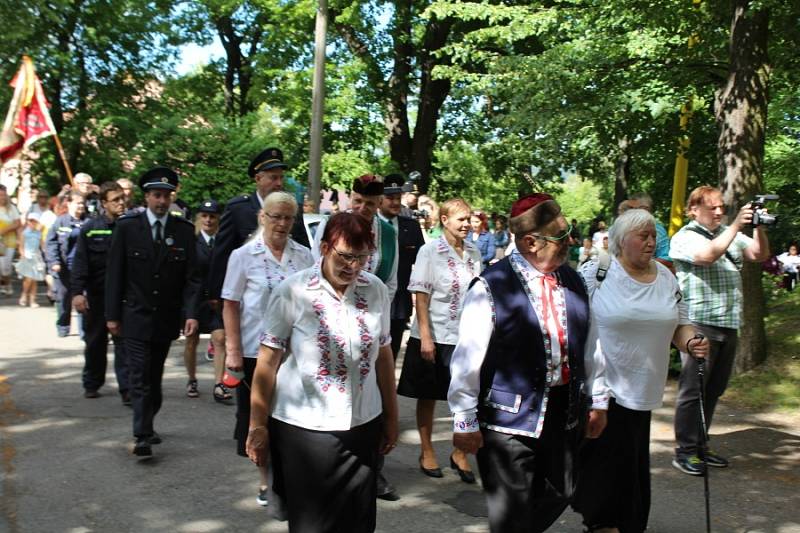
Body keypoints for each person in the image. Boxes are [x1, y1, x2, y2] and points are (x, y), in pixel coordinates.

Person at [246, 212, 399, 532]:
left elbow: (384, 358)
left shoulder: (375, 290)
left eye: (361, 258)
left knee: (358, 522)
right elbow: (267, 361)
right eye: (345, 256)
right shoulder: (294, 291)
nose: (353, 266)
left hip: (362, 423)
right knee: (313, 524)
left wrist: (391, 417)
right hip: (305, 430)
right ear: (326, 247)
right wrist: (257, 425)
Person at [448, 193, 592, 533]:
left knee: (563, 489)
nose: (570, 241)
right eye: (562, 236)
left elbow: (592, 342)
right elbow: (468, 356)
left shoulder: (573, 280)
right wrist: (464, 419)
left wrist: (598, 398)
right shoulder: (491, 286)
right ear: (531, 242)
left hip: (562, 410)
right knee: (512, 512)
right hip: (506, 420)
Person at [572, 208, 709, 533]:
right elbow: (575, 324)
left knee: (632, 460)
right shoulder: (597, 272)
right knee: (605, 459)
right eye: (643, 236)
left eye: (653, 236)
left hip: (644, 385)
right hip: (604, 386)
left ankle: (626, 521)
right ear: (622, 240)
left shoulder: (665, 276)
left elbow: (681, 323)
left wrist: (692, 343)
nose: (651, 242)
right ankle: (602, 522)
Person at [669, 185, 770, 475]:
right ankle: (685, 451)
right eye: (712, 207)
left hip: (728, 323)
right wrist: (736, 224)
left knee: (713, 390)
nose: (719, 212)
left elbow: (758, 254)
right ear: (693, 209)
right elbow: (706, 256)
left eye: (721, 208)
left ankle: (701, 444)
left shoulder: (729, 233)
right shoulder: (684, 237)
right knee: (694, 390)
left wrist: (759, 227)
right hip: (699, 323)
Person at [222, 191, 314, 507]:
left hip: (294, 352)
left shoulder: (304, 256)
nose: (283, 223)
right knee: (258, 418)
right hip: (252, 350)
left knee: (291, 417)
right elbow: (230, 304)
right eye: (276, 216)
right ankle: (266, 482)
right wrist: (232, 351)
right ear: (263, 218)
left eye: (289, 217)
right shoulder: (243, 256)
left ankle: (291, 477)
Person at [105, 167, 200, 458]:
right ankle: (142, 435)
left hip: (165, 318)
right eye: (156, 195)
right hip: (134, 316)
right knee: (140, 376)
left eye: (166, 196)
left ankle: (148, 420)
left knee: (154, 378)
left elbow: (192, 277)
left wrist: (191, 313)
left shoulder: (182, 231)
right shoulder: (127, 227)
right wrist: (112, 315)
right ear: (146, 196)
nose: (161, 201)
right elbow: (115, 274)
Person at [398, 198, 483, 484]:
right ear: (444, 220)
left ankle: (460, 452)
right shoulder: (430, 251)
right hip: (435, 333)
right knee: (429, 394)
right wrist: (425, 337)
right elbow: (421, 296)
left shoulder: (473, 252)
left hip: (466, 336)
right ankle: (426, 449)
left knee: (467, 396)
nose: (467, 224)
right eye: (461, 219)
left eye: (468, 219)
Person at [208, 147, 309, 301]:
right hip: (247, 296)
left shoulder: (291, 209)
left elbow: (302, 247)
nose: (279, 183)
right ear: (258, 179)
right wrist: (217, 299)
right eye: (273, 178)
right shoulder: (238, 209)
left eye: (281, 178)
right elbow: (222, 256)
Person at [71, 182, 130, 401]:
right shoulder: (90, 227)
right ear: (104, 203)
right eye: (116, 200)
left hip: (124, 296)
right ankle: (92, 382)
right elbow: (80, 262)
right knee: (95, 341)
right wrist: (77, 292)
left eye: (123, 198)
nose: (121, 203)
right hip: (97, 295)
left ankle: (128, 389)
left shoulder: (131, 226)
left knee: (124, 343)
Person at [313, 174, 398, 301]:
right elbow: (315, 265)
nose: (362, 208)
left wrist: (375, 310)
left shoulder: (389, 233)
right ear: (351, 199)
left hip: (370, 309)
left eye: (369, 203)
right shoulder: (329, 224)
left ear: (379, 203)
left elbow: (391, 282)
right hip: (327, 303)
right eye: (358, 201)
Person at [183, 200, 229, 401]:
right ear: (199, 218)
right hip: (195, 301)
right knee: (191, 340)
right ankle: (192, 379)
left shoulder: (224, 243)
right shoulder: (191, 242)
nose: (208, 220)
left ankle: (219, 383)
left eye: (212, 216)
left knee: (220, 339)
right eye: (204, 216)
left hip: (217, 301)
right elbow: (187, 277)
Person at [378, 174, 425, 361]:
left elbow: (421, 263)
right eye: (390, 198)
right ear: (379, 199)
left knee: (391, 352)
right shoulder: (369, 224)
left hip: (399, 302)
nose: (395, 202)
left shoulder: (411, 227)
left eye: (398, 198)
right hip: (372, 299)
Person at [46, 190, 86, 337]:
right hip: (64, 268)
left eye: (82, 203)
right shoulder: (60, 221)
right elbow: (51, 243)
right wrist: (54, 262)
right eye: (77, 203)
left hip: (83, 268)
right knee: (63, 299)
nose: (81, 206)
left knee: (83, 298)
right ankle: (63, 326)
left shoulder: (88, 221)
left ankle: (84, 330)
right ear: (69, 204)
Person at [625, 192, 673, 270]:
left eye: (634, 209)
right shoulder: (622, 228)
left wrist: (641, 266)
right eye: (630, 209)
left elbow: (667, 259)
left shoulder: (658, 230)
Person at [15, 211, 46, 306]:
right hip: (27, 257)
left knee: (34, 279)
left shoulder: (38, 234)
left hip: (36, 257)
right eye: (30, 221)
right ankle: (24, 295)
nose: (32, 223)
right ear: (28, 222)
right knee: (28, 278)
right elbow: (21, 246)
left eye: (34, 221)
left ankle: (33, 300)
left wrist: (46, 253)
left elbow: (42, 245)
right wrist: (23, 255)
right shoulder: (24, 233)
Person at [0, 184, 22, 295]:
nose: (2, 197)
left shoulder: (12, 208)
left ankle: (7, 284)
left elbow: (18, 223)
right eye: (0, 195)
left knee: (6, 266)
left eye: (4, 195)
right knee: (0, 266)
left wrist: (4, 230)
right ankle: (4, 285)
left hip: (9, 241)